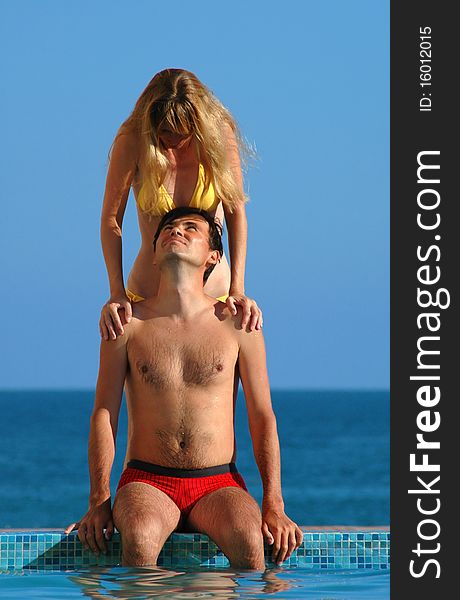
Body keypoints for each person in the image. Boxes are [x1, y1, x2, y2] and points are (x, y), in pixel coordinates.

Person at [65, 207, 303, 569]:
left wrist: (274, 502)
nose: (176, 231)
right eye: (169, 228)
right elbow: (104, 412)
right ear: (155, 253)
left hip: (217, 480)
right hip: (147, 480)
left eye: (191, 227)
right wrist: (99, 500)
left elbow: (262, 415)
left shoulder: (238, 324)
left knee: (249, 539)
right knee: (141, 537)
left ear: (213, 256)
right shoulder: (128, 324)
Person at [99, 67, 262, 341]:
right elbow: (111, 220)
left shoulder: (219, 137)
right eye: (164, 132)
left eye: (181, 133)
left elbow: (236, 212)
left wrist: (238, 288)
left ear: (198, 124)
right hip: (146, 298)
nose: (172, 142)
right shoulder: (133, 141)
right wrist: (116, 292)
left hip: (216, 297)